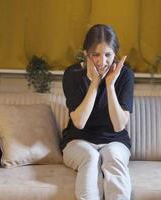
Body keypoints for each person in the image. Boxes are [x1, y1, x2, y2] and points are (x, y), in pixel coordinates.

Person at [61, 24, 134, 200]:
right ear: (86, 53)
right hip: (78, 141)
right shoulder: (73, 74)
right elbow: (79, 122)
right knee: (91, 156)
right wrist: (94, 83)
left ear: (115, 54)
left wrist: (109, 85)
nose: (102, 62)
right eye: (95, 55)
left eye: (108, 55)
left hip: (115, 141)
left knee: (113, 156)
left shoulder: (125, 75)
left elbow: (118, 125)